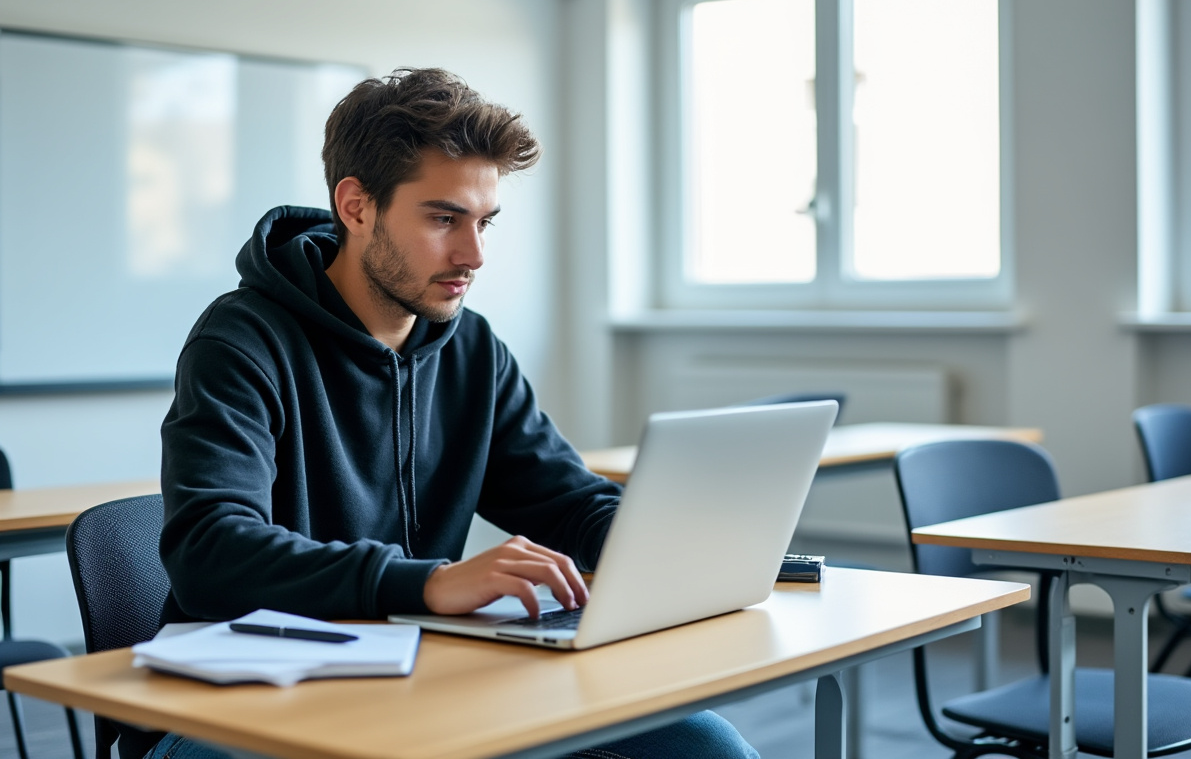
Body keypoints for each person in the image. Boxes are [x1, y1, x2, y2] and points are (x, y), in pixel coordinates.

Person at [146, 68, 760, 759]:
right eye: (443, 219)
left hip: (427, 672)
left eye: (484, 222)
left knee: (706, 747)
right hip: (255, 692)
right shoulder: (243, 339)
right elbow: (210, 552)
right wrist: (429, 583)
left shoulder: (470, 347)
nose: (474, 255)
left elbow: (565, 499)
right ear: (355, 206)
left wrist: (656, 546)